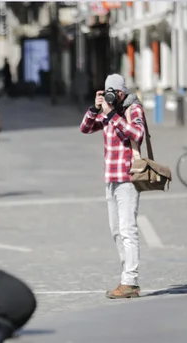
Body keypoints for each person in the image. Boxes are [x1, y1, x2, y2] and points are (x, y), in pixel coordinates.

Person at [79, 74, 146, 299]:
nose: (109, 96)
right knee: (116, 231)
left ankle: (131, 281)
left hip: (127, 177)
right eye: (105, 91)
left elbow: (138, 133)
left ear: (120, 93)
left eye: (112, 92)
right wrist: (95, 108)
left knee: (128, 230)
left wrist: (113, 116)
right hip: (110, 178)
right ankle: (126, 276)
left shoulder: (132, 108)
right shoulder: (107, 111)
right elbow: (85, 128)